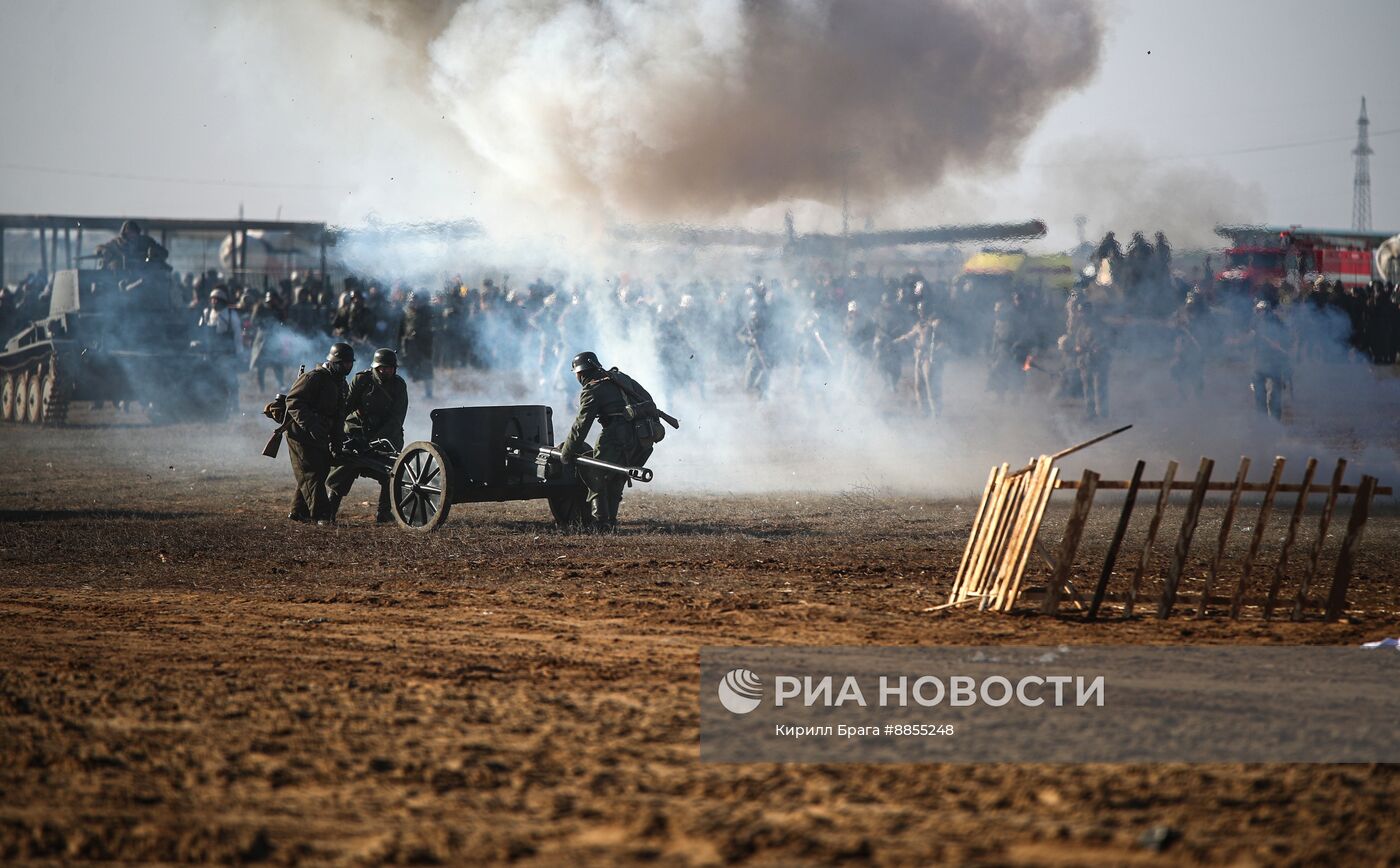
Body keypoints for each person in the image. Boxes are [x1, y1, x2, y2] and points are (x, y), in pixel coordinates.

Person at [558, 351, 658, 532]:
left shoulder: (592, 390)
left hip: (615, 436)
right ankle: (609, 522)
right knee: (617, 477)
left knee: (596, 475)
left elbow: (581, 426)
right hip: (642, 436)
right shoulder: (620, 377)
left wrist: (566, 453)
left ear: (580, 374)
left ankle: (601, 523)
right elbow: (648, 399)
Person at [327, 348, 408, 524]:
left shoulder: (399, 385)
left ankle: (383, 513)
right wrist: (337, 432)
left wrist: (377, 440)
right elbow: (345, 408)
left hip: (384, 439)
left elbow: (397, 419)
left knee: (392, 472)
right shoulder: (362, 380)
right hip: (357, 433)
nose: (385, 371)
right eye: (381, 368)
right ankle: (329, 512)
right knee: (344, 470)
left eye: (389, 368)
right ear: (375, 367)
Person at [284, 343, 353, 525]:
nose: (348, 367)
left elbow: (339, 417)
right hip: (299, 433)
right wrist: (311, 425)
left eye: (349, 363)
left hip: (319, 434)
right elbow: (293, 401)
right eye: (344, 363)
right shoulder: (313, 378)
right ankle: (322, 516)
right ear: (333, 362)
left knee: (320, 471)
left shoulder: (341, 384)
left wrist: (337, 442)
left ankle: (298, 512)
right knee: (312, 472)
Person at [1247, 300, 1291, 420]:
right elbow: (1250, 342)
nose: (1259, 313)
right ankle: (1263, 421)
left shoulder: (1278, 323)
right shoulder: (1255, 323)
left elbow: (1288, 340)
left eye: (1261, 311)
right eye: (1258, 311)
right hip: (1259, 363)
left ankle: (1275, 421)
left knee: (1275, 394)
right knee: (1259, 394)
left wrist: (1280, 343)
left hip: (1274, 362)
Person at [397, 290, 435, 398]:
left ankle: (429, 394)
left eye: (416, 301)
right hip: (409, 345)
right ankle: (405, 394)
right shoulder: (406, 312)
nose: (414, 303)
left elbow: (432, 328)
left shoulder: (427, 312)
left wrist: (420, 333)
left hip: (423, 345)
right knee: (406, 368)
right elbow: (402, 329)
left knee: (426, 368)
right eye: (412, 301)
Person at [95, 220, 168, 271]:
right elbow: (99, 248)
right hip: (119, 274)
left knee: (150, 263)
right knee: (114, 264)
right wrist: (104, 250)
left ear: (137, 232)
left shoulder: (146, 241)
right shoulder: (116, 243)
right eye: (129, 233)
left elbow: (164, 253)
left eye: (133, 232)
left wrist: (154, 252)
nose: (131, 235)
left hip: (144, 267)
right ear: (124, 233)